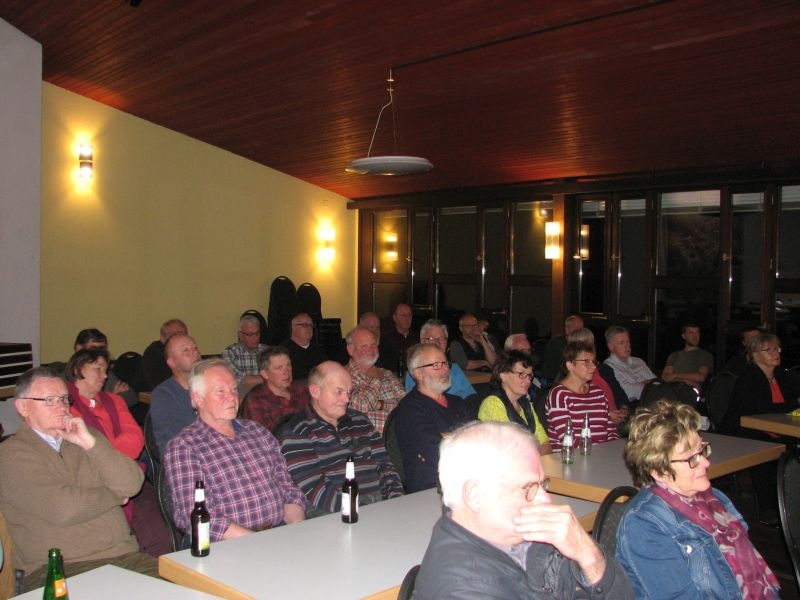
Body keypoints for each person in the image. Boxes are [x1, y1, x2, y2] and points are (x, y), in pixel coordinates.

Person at [414, 421, 633, 600]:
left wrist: (589, 555)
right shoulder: (462, 587)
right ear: (475, 496)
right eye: (528, 488)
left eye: (542, 484)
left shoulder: (527, 532)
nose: (545, 499)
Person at [0, 367, 154, 592]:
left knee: (193, 591)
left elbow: (131, 484)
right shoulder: (11, 454)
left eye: (64, 399)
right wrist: (115, 495)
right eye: (49, 400)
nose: (62, 407)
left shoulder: (86, 437)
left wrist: (90, 443)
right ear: (23, 407)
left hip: (126, 558)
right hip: (60, 570)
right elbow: (64, 508)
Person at [617, 400, 780, 599]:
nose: (705, 462)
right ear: (659, 471)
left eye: (701, 450)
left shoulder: (715, 498)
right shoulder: (644, 525)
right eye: (691, 458)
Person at [164, 359, 306, 541]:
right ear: (197, 399)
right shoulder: (185, 446)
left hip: (277, 533)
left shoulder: (257, 432)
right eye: (220, 391)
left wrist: (296, 530)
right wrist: (260, 542)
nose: (231, 397)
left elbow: (288, 490)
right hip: (223, 544)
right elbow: (196, 515)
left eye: (233, 389)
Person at [278, 362, 403, 517]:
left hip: (379, 504)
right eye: (339, 392)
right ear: (315, 391)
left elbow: (385, 466)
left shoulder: (360, 421)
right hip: (331, 512)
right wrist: (361, 511)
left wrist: (395, 500)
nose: (346, 399)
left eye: (349, 392)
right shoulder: (297, 431)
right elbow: (315, 489)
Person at [723, 332, 800, 521]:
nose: (775, 353)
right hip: (744, 431)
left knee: (793, 448)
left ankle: (792, 503)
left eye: (777, 348)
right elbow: (761, 408)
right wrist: (795, 404)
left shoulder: (780, 375)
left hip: (775, 428)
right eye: (769, 350)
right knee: (767, 450)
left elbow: (793, 396)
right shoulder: (750, 376)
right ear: (756, 355)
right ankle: (769, 509)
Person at [393, 344, 468, 493]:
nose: (445, 369)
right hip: (431, 490)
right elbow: (438, 455)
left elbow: (481, 442)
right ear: (418, 374)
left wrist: (447, 437)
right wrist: (463, 438)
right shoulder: (409, 409)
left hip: (467, 484)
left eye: (445, 363)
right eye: (436, 365)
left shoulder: (457, 402)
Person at [65, 348, 144, 460]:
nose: (105, 376)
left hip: (121, 463)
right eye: (98, 369)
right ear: (77, 371)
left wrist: (113, 460)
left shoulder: (115, 400)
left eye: (105, 371)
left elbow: (134, 434)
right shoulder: (64, 404)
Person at [545, 342, 619, 449]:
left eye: (593, 362)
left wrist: (612, 448)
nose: (593, 367)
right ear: (570, 365)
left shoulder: (598, 392)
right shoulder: (559, 394)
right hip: (573, 456)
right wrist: (598, 453)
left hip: (601, 453)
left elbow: (611, 429)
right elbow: (568, 438)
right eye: (586, 362)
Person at [477, 349, 551, 454]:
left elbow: (546, 443)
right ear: (503, 375)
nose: (528, 380)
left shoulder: (526, 404)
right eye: (521, 374)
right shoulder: (492, 404)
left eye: (529, 375)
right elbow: (511, 448)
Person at [149, 333, 201, 457]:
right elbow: (174, 440)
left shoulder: (210, 386)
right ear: (172, 362)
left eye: (195, 348)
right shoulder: (163, 396)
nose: (194, 352)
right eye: (186, 350)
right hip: (183, 458)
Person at [568, 328, 630, 432]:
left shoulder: (604, 369)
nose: (589, 349)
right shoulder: (570, 376)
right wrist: (607, 415)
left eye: (591, 345)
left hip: (617, 421)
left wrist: (623, 409)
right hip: (591, 426)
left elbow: (620, 394)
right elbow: (577, 410)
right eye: (584, 346)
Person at [344, 327, 405, 434]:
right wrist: (376, 378)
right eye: (364, 346)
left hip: (401, 434)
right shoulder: (344, 376)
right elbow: (361, 406)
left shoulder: (387, 373)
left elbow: (405, 403)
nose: (371, 350)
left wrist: (380, 404)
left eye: (373, 345)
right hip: (368, 440)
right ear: (350, 350)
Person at [241, 346, 310, 431]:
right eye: (279, 368)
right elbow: (262, 434)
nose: (287, 372)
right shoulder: (256, 399)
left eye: (288, 365)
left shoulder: (301, 391)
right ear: (265, 374)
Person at [404, 319, 476, 400]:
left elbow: (471, 397)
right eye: (431, 339)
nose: (437, 344)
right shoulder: (417, 372)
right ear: (422, 342)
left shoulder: (454, 368)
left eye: (441, 339)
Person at [603, 325, 657, 401]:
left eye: (628, 342)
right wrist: (646, 385)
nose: (627, 346)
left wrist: (647, 385)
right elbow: (626, 392)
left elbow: (656, 383)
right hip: (632, 405)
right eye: (621, 343)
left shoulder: (638, 362)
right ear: (611, 347)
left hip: (653, 400)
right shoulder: (608, 367)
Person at [223, 314, 268, 393]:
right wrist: (268, 378)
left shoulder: (267, 351)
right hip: (241, 396)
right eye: (250, 334)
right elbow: (237, 379)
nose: (255, 337)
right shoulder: (230, 353)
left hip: (265, 394)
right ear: (240, 335)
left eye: (257, 333)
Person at [661, 323, 714, 388]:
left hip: (691, 390)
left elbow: (702, 377)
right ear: (683, 336)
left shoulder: (704, 355)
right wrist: (685, 381)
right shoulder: (674, 355)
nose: (695, 336)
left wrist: (675, 375)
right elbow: (665, 377)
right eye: (691, 333)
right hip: (673, 389)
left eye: (697, 333)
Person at [142, 318, 188, 390]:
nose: (180, 339)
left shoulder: (189, 352)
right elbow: (158, 384)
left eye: (183, 335)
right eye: (175, 335)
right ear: (163, 338)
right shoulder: (154, 353)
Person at [280, 312, 327, 380]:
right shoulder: (282, 351)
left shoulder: (317, 349)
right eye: (305, 325)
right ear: (293, 327)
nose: (309, 328)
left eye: (311, 325)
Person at [542, 314, 584, 382]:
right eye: (577, 330)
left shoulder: (582, 344)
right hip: (555, 380)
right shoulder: (556, 344)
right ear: (567, 330)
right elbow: (566, 368)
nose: (580, 333)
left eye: (582, 330)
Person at [381, 303, 420, 375]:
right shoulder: (386, 339)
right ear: (395, 318)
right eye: (403, 315)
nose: (407, 318)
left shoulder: (418, 338)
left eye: (409, 315)